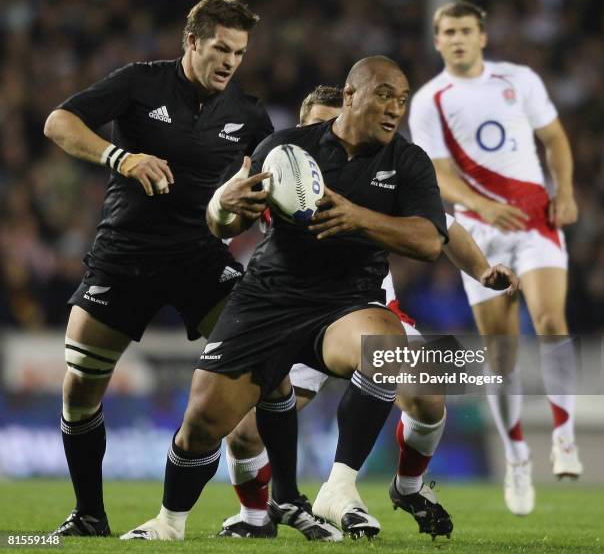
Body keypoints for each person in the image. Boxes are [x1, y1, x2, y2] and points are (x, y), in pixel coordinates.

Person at [120, 55, 449, 542]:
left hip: (345, 305)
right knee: (207, 421)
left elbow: (429, 241)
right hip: (269, 300)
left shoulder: (407, 161)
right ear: (351, 94)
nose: (394, 109)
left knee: (388, 348)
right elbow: (226, 225)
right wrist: (221, 206)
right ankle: (171, 521)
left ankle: (339, 487)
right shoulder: (286, 148)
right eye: (383, 95)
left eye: (401, 100)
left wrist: (359, 217)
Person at [218, 85, 519, 540]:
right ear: (302, 129)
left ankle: (409, 487)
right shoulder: (274, 172)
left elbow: (443, 225)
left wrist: (481, 271)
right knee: (242, 431)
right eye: (317, 125)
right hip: (290, 317)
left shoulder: (379, 175)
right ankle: (256, 516)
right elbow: (222, 225)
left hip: (369, 314)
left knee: (433, 394)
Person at [43, 0, 273, 537]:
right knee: (79, 390)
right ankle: (89, 516)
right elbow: (59, 122)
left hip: (201, 258)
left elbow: (256, 206)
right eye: (221, 48)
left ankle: (268, 509)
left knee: (260, 372)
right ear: (191, 41)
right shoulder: (140, 83)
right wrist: (120, 156)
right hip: (125, 256)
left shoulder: (249, 115)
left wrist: (240, 214)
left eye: (239, 52)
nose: (230, 61)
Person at [408, 1, 582, 517]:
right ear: (437, 41)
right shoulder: (429, 100)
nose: (458, 38)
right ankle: (517, 458)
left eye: (466, 30)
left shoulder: (519, 80)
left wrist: (566, 191)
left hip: (534, 221)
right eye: (448, 32)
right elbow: (437, 174)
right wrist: (485, 206)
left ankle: (565, 436)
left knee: (551, 319)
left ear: (482, 36)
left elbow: (554, 139)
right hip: (480, 234)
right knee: (500, 354)